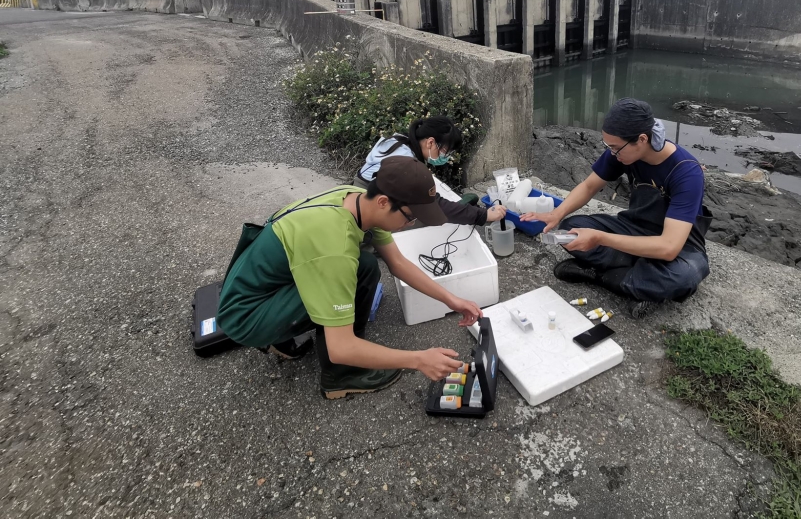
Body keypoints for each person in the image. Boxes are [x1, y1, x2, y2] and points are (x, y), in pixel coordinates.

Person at [217, 157, 482, 400]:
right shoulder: (335, 246)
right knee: (354, 274)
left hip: (261, 287)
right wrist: (418, 359)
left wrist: (452, 299)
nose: (411, 225)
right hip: (245, 315)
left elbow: (398, 263)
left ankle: (283, 336)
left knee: (365, 265)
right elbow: (340, 347)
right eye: (410, 217)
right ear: (383, 203)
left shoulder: (357, 199)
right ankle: (340, 376)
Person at [522, 98, 713, 319]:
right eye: (608, 147)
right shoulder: (624, 151)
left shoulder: (686, 172)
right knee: (571, 229)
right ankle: (636, 282)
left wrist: (600, 239)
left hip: (680, 247)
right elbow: (589, 185)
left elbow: (669, 247)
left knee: (685, 276)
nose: (612, 153)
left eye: (614, 148)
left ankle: (598, 276)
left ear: (642, 139)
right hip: (634, 228)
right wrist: (556, 213)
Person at [356, 115, 506, 226]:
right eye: (446, 151)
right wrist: (483, 215)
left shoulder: (398, 141)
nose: (447, 157)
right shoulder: (406, 163)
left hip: (358, 190)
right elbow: (434, 205)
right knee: (425, 221)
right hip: (369, 206)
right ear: (430, 142)